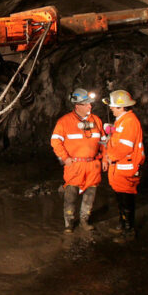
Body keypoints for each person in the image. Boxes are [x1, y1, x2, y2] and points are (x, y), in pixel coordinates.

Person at [50, 88, 105, 233]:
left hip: (93, 165)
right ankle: (69, 224)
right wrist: (65, 158)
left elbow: (103, 142)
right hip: (74, 165)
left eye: (90, 104)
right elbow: (55, 142)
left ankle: (84, 221)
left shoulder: (96, 120)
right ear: (77, 106)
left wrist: (104, 158)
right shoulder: (65, 122)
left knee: (90, 196)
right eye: (86, 104)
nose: (90, 106)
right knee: (71, 196)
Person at [102, 89, 145, 241]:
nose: (111, 108)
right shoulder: (122, 120)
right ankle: (122, 224)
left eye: (113, 106)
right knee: (120, 198)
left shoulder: (130, 122)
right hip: (119, 168)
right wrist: (111, 132)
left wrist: (108, 156)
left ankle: (129, 231)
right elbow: (118, 138)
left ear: (121, 107)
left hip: (125, 167)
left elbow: (125, 147)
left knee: (126, 199)